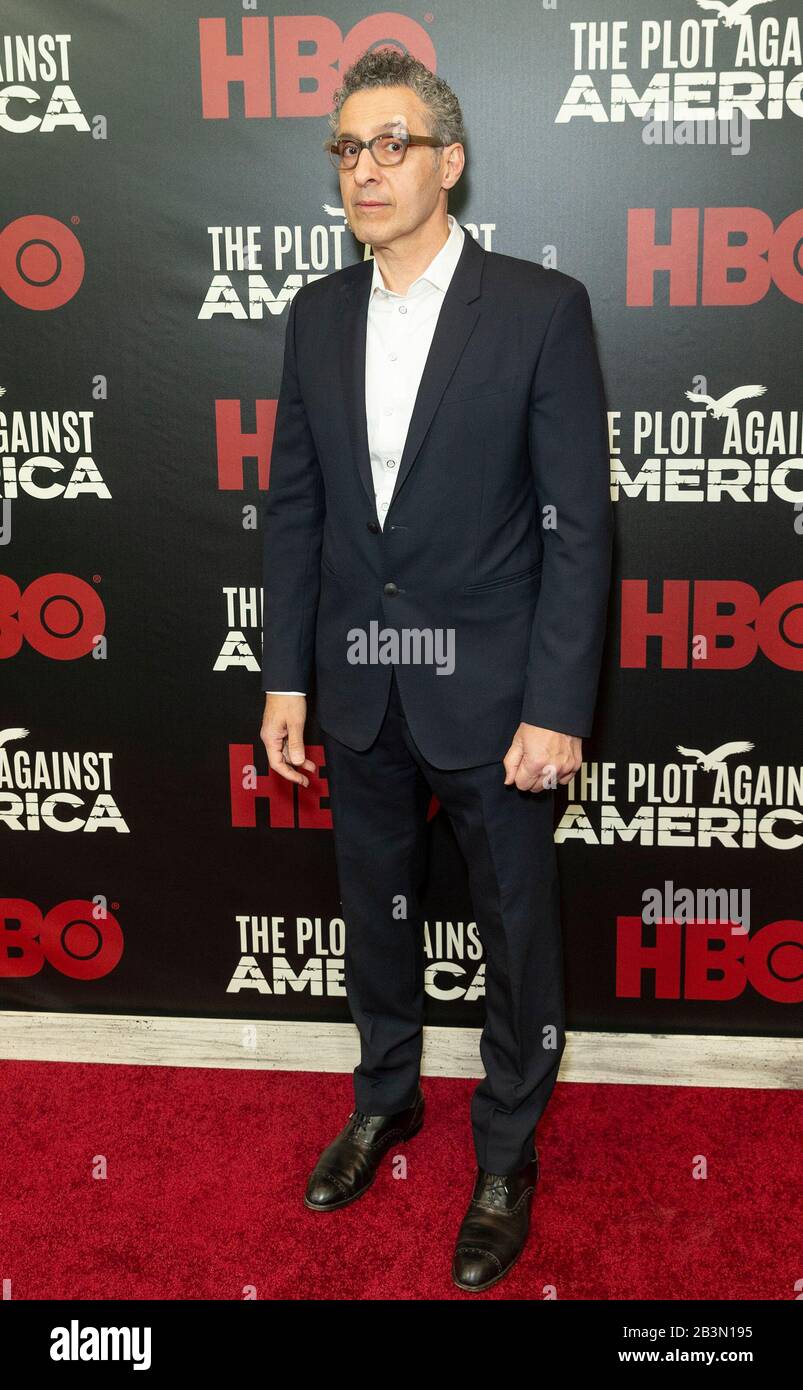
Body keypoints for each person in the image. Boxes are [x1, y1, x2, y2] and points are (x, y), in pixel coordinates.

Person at [259, 48, 613, 1293]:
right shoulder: (313, 315)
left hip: (496, 699)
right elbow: (293, 508)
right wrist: (285, 675)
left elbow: (577, 526)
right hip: (358, 685)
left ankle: (506, 1151)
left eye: (390, 144)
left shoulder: (536, 309)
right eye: (347, 150)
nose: (365, 169)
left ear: (447, 162)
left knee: (517, 935)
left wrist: (556, 706)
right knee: (375, 913)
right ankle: (386, 1098)